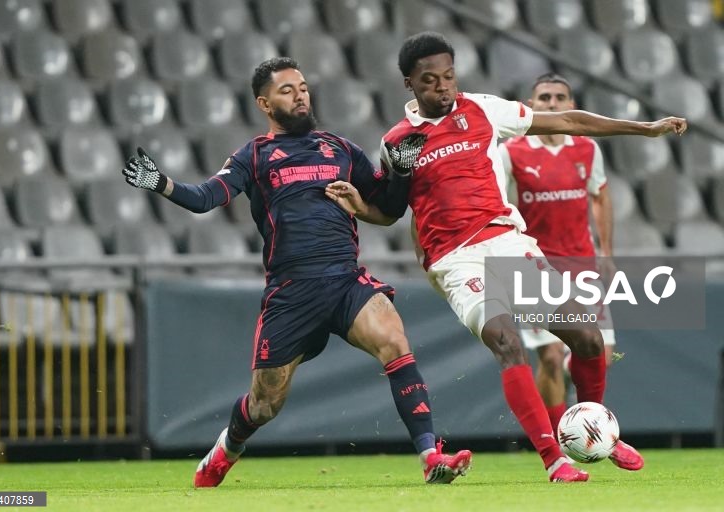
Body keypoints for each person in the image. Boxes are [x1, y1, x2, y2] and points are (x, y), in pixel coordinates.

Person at [325, 32, 687, 483]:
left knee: (590, 340)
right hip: (456, 259)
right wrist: (362, 208)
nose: (443, 88)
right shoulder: (400, 142)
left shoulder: (481, 109)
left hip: (509, 244)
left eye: (449, 77)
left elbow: (566, 122)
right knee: (507, 342)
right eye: (430, 81)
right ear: (409, 85)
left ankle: (599, 431)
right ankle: (555, 460)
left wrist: (643, 128)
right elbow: (393, 210)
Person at [121, 57, 471, 488]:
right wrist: (161, 184)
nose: (301, 94)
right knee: (266, 403)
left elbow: (388, 211)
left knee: (394, 340)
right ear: (265, 104)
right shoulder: (254, 155)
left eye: (303, 86)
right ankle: (226, 449)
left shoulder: (340, 149)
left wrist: (398, 173)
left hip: (345, 279)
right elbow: (205, 198)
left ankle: (430, 455)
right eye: (288, 90)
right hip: (292, 292)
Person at [498, 73, 618, 434]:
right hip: (537, 266)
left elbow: (600, 195)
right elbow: (499, 205)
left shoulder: (586, 148)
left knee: (599, 354)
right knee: (550, 356)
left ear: (571, 105)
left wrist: (606, 251)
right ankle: (561, 437)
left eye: (560, 98)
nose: (552, 104)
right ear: (531, 106)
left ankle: (582, 423)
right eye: (545, 97)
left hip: (583, 264)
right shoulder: (511, 152)